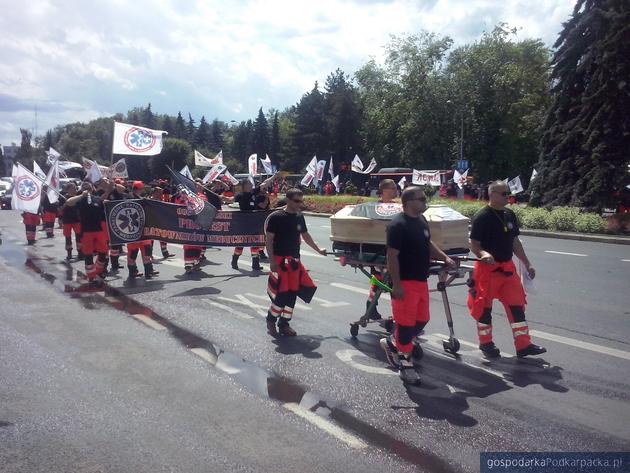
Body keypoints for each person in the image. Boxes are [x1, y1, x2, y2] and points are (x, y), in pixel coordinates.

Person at [380, 186, 455, 385]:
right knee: (405, 325)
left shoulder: (421, 220)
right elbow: (392, 257)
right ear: (409, 202)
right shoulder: (398, 225)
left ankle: (394, 342)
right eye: (421, 198)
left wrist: (445, 257)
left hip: (421, 280)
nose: (424, 201)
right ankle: (405, 365)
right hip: (405, 281)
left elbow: (428, 243)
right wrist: (396, 285)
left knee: (422, 320)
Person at [467, 180, 546, 358]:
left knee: (517, 305)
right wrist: (484, 254)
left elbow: (515, 242)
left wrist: (527, 263)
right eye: (503, 194)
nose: (507, 197)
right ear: (492, 194)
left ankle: (523, 346)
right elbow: (474, 245)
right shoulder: (482, 216)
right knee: (484, 308)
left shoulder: (509, 214)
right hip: (488, 269)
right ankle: (486, 344)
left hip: (507, 268)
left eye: (508, 193)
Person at [265, 188, 326, 337]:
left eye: (301, 200)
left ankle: (284, 324)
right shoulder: (276, 217)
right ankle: (271, 319)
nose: (300, 204)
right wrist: (272, 261)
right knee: (282, 294)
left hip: (294, 261)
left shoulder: (299, 217)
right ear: (288, 200)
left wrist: (318, 250)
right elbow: (269, 240)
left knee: (293, 293)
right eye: (296, 201)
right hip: (280, 261)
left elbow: (305, 235)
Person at [64, 181, 110, 286]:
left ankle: (98, 271)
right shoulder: (80, 200)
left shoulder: (98, 199)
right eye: (84, 187)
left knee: (103, 253)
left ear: (93, 188)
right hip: (86, 232)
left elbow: (106, 200)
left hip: (99, 231)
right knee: (88, 255)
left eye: (88, 186)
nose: (86, 187)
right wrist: (81, 195)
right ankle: (91, 277)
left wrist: (109, 188)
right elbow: (68, 202)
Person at [366, 179, 399, 320]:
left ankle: (373, 307)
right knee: (382, 280)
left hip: (393, 247)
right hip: (377, 249)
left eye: (395, 188)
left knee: (388, 280)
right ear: (384, 190)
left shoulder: (398, 207)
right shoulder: (374, 207)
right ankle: (372, 306)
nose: (395, 190)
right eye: (392, 188)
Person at [232, 175, 277, 271]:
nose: (251, 185)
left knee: (255, 242)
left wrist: (274, 176)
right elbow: (230, 200)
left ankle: (255, 264)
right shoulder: (240, 195)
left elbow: (265, 183)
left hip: (254, 222)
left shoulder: (253, 192)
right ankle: (234, 260)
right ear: (244, 186)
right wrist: (223, 198)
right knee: (241, 243)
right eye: (249, 184)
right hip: (244, 223)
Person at [60, 182, 82, 261]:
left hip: (77, 220)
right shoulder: (63, 198)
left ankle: (80, 253)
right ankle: (69, 253)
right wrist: (66, 203)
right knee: (68, 237)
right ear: (68, 189)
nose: (74, 189)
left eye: (75, 188)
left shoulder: (78, 197)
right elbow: (59, 209)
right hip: (67, 220)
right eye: (72, 188)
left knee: (79, 237)